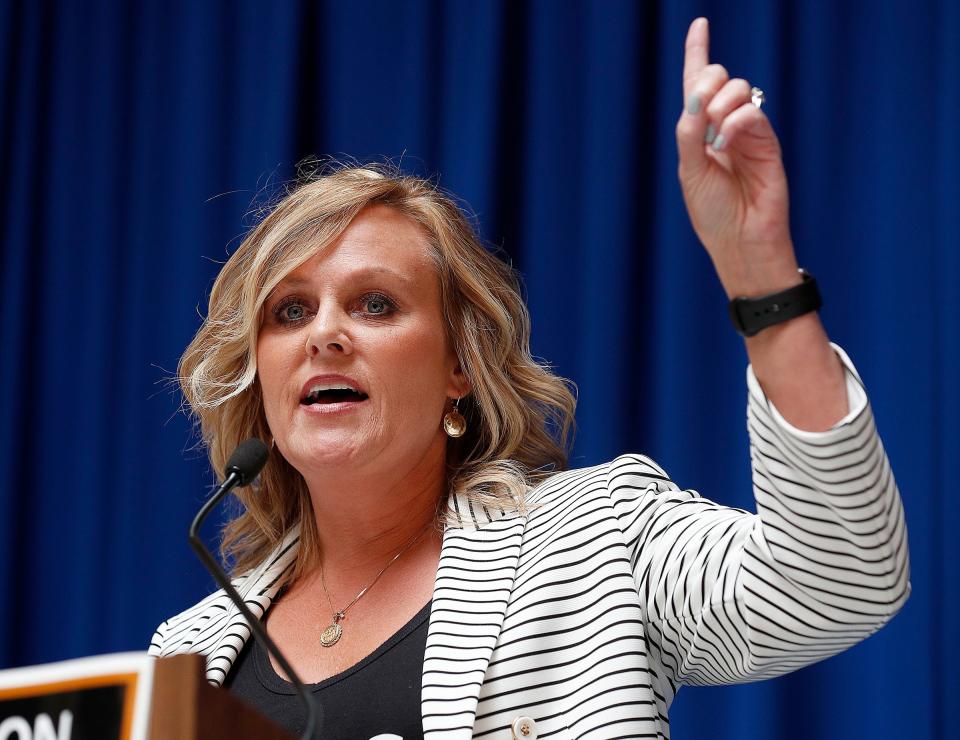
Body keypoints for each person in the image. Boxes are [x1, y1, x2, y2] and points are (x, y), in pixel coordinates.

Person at [149, 17, 910, 740]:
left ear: (459, 368)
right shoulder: (185, 655)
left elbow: (842, 577)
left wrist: (760, 275)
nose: (324, 335)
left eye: (374, 304)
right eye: (289, 313)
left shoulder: (595, 542)